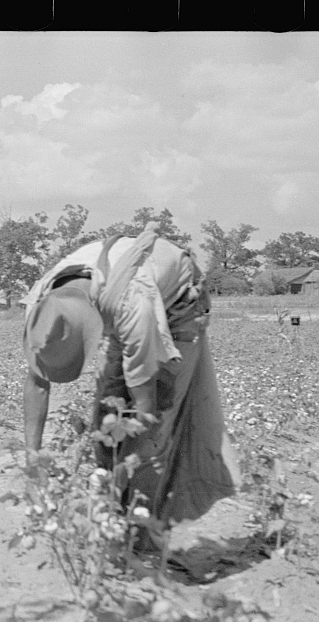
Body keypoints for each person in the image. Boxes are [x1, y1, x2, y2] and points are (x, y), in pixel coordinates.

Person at [21, 222, 241, 551]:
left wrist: (124, 470)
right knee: (105, 425)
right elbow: (37, 384)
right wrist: (32, 461)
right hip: (121, 300)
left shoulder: (131, 305)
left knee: (150, 438)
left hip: (178, 307)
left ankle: (140, 542)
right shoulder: (42, 306)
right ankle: (109, 526)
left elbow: (145, 409)